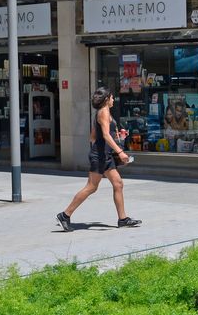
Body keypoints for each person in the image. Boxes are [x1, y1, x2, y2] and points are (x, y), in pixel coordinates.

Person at [56, 87, 141, 231]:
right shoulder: (103, 112)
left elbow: (94, 137)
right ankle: (65, 215)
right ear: (107, 99)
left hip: (104, 155)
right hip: (100, 156)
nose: (114, 100)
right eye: (112, 97)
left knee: (118, 183)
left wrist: (119, 136)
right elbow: (106, 136)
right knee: (91, 187)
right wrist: (119, 151)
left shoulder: (103, 113)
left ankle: (122, 219)